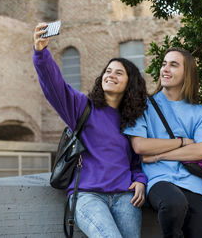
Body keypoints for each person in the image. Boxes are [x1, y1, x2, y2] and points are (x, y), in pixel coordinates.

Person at [33, 23, 147, 238]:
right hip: (87, 195)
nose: (110, 75)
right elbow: (54, 86)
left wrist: (140, 180)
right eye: (108, 71)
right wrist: (41, 52)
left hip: (126, 196)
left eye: (119, 73)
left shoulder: (133, 119)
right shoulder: (82, 107)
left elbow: (135, 161)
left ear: (130, 83)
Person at [124, 47, 202, 238]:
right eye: (164, 64)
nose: (165, 69)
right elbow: (140, 146)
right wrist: (182, 142)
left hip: (194, 182)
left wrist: (158, 155)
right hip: (159, 178)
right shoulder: (144, 106)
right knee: (173, 203)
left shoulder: (200, 112)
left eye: (173, 65)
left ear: (187, 73)